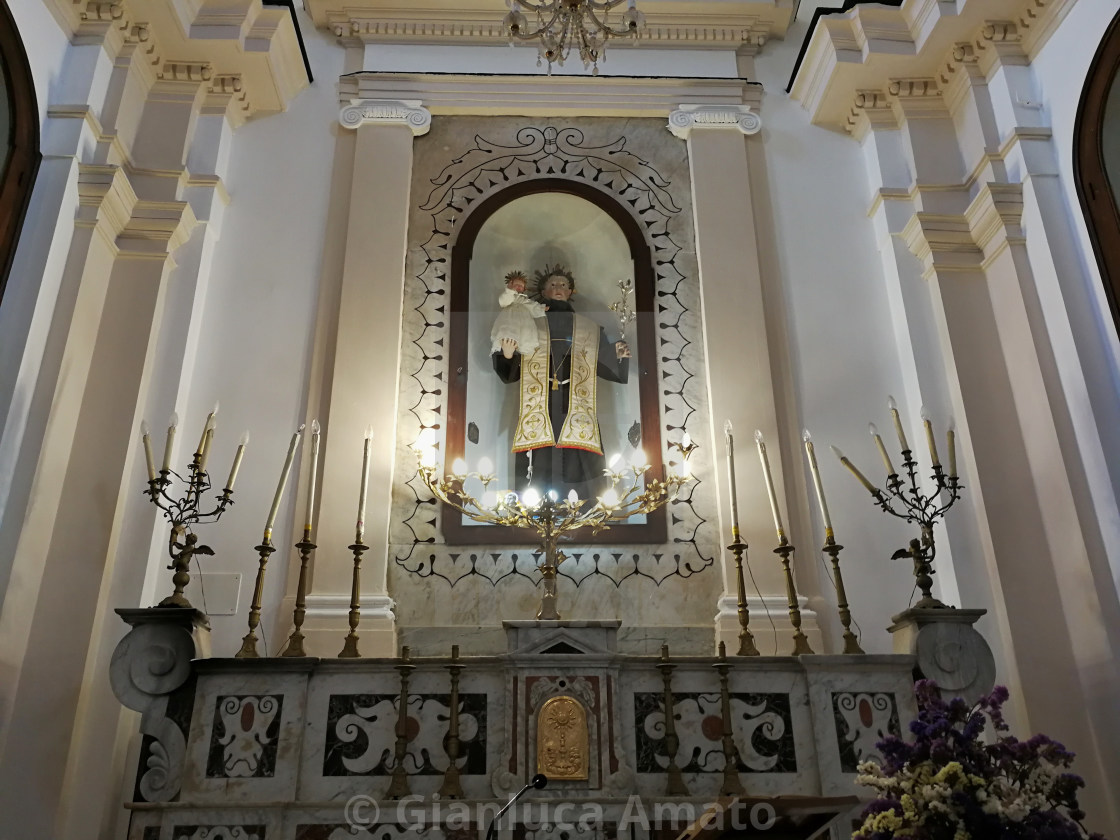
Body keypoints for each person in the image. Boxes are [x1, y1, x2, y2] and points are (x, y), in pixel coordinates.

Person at [492, 264, 631, 499]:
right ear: (543, 292)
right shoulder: (529, 323)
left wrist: (616, 354)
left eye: (563, 285)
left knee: (577, 456)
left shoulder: (590, 328)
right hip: (540, 402)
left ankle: (583, 509)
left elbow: (600, 361)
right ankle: (534, 508)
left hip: (575, 403)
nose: (558, 288)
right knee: (539, 456)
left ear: (571, 292)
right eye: (553, 284)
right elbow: (512, 367)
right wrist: (507, 355)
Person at [490, 270, 547, 356]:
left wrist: (542, 309)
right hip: (510, 318)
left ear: (524, 288)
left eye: (521, 286)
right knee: (509, 332)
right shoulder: (510, 297)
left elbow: (532, 306)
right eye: (516, 285)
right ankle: (507, 349)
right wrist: (509, 291)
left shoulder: (524, 300)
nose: (519, 287)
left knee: (525, 335)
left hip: (524, 322)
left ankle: (519, 350)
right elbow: (503, 301)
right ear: (510, 285)